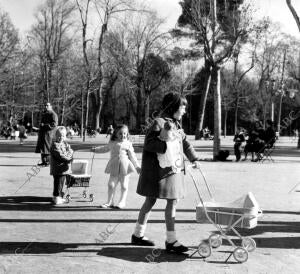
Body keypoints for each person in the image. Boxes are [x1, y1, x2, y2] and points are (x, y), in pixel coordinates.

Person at [131, 92, 201, 254]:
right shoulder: (159, 122)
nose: (184, 110)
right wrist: (166, 146)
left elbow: (186, 143)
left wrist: (194, 159)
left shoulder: (176, 125)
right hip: (159, 172)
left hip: (171, 172)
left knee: (171, 201)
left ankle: (165, 238)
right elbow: (149, 144)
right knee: (151, 201)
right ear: (174, 106)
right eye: (182, 107)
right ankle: (144, 236)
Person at [93, 124, 141, 209]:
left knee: (124, 186)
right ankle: (109, 202)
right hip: (114, 166)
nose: (123, 135)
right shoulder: (112, 143)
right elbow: (104, 149)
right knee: (111, 185)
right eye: (120, 133)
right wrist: (95, 150)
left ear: (127, 134)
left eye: (124, 133)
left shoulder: (128, 143)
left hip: (125, 167)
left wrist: (137, 166)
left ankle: (122, 202)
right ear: (115, 134)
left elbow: (132, 156)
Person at [50, 126, 73, 205]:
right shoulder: (55, 145)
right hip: (58, 169)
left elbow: (70, 151)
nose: (61, 137)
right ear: (55, 136)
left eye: (63, 136)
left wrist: (69, 153)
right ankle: (57, 197)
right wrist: (69, 158)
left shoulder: (64, 143)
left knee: (61, 183)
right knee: (58, 183)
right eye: (59, 135)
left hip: (63, 169)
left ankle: (57, 196)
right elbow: (61, 156)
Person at [35, 102, 58, 166]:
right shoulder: (44, 114)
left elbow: (54, 124)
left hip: (49, 135)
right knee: (43, 149)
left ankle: (47, 162)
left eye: (47, 105)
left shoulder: (53, 114)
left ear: (51, 106)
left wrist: (44, 125)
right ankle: (44, 162)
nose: (46, 107)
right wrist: (39, 128)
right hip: (43, 134)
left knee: (47, 148)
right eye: (45, 105)